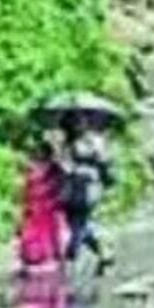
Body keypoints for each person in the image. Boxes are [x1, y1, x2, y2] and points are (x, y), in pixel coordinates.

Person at [59, 114, 115, 274]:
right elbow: (106, 163)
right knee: (82, 221)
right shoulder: (96, 141)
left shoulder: (71, 145)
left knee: (78, 221)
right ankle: (102, 249)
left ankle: (72, 254)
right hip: (92, 188)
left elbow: (64, 168)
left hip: (76, 189)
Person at [15, 130, 67, 271]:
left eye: (41, 151)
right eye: (36, 152)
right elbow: (24, 183)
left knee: (47, 233)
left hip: (47, 204)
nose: (38, 154)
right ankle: (30, 258)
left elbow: (60, 180)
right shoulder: (30, 166)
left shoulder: (53, 167)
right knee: (30, 232)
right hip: (33, 203)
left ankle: (48, 258)